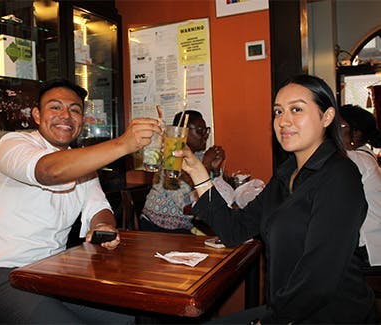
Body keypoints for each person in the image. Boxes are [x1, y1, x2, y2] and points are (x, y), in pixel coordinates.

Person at [175, 75, 378, 323]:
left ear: (326, 117)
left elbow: (319, 279)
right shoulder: (286, 175)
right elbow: (234, 229)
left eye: (296, 109)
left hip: (330, 315)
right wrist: (198, 172)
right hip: (285, 312)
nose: (283, 120)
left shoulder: (339, 176)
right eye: (278, 111)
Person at [0, 78, 161, 323]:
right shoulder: (14, 143)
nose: (66, 115)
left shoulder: (81, 162)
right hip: (1, 276)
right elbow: (49, 172)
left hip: (51, 276)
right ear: (37, 115)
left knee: (126, 319)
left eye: (75, 109)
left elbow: (99, 208)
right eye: (55, 107)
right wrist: (124, 143)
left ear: (82, 120)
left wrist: (102, 226)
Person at [140, 110, 225, 233]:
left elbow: (215, 193)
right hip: (158, 227)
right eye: (200, 131)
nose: (205, 135)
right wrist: (205, 165)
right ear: (183, 132)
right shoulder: (170, 158)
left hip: (184, 226)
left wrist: (216, 170)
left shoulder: (199, 157)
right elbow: (185, 203)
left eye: (206, 130)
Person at [339, 104, 381, 266]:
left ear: (356, 134)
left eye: (340, 126)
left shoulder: (356, 159)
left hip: (368, 248)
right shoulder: (365, 157)